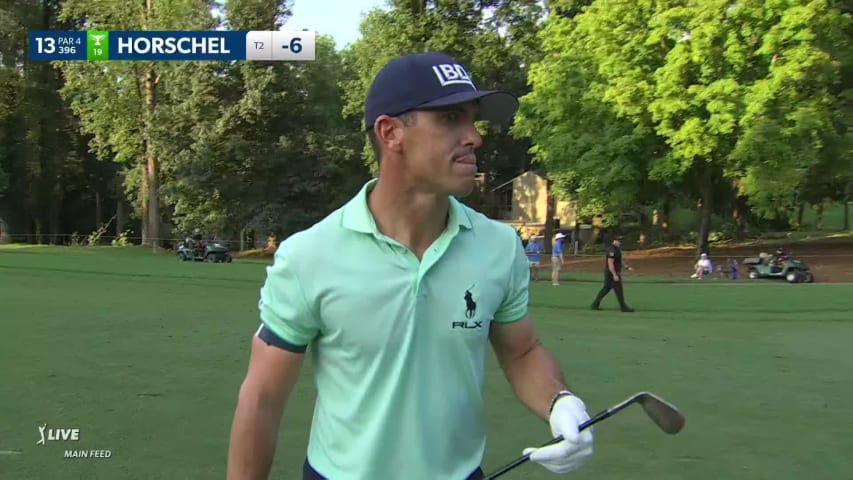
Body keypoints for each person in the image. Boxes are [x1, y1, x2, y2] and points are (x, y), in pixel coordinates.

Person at [227, 52, 594, 480]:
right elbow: (263, 398)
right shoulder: (310, 255)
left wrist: (560, 401)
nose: (474, 137)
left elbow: (522, 351)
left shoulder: (498, 246)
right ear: (391, 132)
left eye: (473, 120)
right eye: (451, 118)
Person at [590, 235, 634, 312]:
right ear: (614, 241)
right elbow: (610, 263)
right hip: (611, 273)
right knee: (618, 290)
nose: (620, 242)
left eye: (620, 241)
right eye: (619, 241)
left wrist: (627, 267)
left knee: (606, 289)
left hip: (612, 273)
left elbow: (620, 260)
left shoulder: (617, 249)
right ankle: (623, 307)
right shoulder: (612, 250)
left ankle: (594, 305)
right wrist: (614, 275)